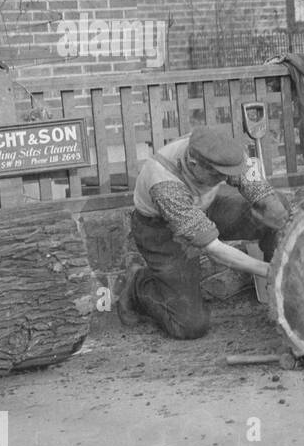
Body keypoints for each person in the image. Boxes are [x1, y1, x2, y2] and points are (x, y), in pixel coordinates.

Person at [117, 126, 291, 339]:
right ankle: (139, 286)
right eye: (217, 175)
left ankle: (285, 292)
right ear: (193, 164)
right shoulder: (163, 181)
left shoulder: (224, 152)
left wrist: (277, 214)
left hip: (204, 208)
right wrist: (270, 269)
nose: (223, 178)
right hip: (161, 230)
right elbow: (214, 249)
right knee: (190, 325)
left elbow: (259, 190)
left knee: (278, 206)